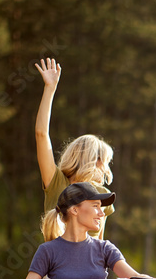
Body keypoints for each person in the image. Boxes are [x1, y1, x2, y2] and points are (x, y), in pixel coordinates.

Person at [6, 183, 156, 279]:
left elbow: (133, 277)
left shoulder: (105, 248)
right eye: (96, 206)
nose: (101, 213)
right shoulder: (47, 250)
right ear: (74, 210)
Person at [35, 58, 115, 241]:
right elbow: (41, 134)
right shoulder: (56, 183)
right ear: (91, 160)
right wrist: (50, 88)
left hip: (90, 270)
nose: (107, 169)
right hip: (58, 269)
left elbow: (100, 245)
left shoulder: (103, 195)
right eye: (104, 161)